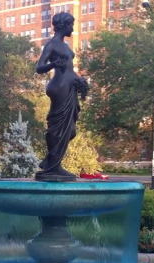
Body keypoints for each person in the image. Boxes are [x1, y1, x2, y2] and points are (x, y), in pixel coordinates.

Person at [34, 12, 90, 181]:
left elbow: (70, 69)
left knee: (70, 130)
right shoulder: (51, 45)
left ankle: (50, 161)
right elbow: (39, 67)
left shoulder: (64, 45)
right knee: (57, 126)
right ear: (64, 26)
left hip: (69, 87)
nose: (72, 28)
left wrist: (80, 81)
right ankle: (53, 167)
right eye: (71, 25)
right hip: (60, 87)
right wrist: (53, 63)